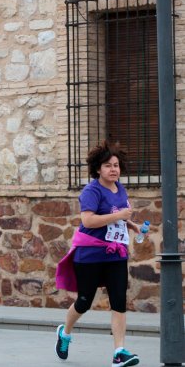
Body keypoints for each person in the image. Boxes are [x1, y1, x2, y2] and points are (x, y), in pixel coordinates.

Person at [55, 140, 140, 367]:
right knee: (84, 301)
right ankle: (65, 332)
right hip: (90, 254)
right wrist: (120, 216)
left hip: (116, 254)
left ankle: (119, 352)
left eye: (116, 165)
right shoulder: (91, 191)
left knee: (119, 302)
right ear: (98, 169)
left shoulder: (119, 188)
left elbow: (120, 217)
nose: (114, 169)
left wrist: (133, 226)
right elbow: (88, 220)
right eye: (108, 165)